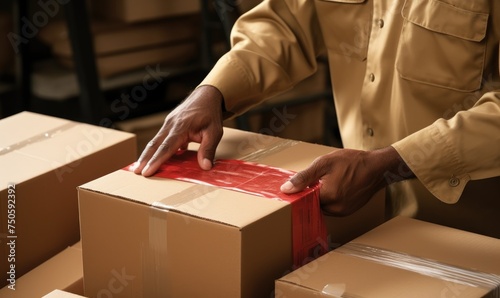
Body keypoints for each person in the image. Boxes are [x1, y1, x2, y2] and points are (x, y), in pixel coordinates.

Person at [132, 0, 500, 237]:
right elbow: (286, 22)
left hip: (472, 235)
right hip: (362, 222)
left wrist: (392, 163)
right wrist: (213, 90)